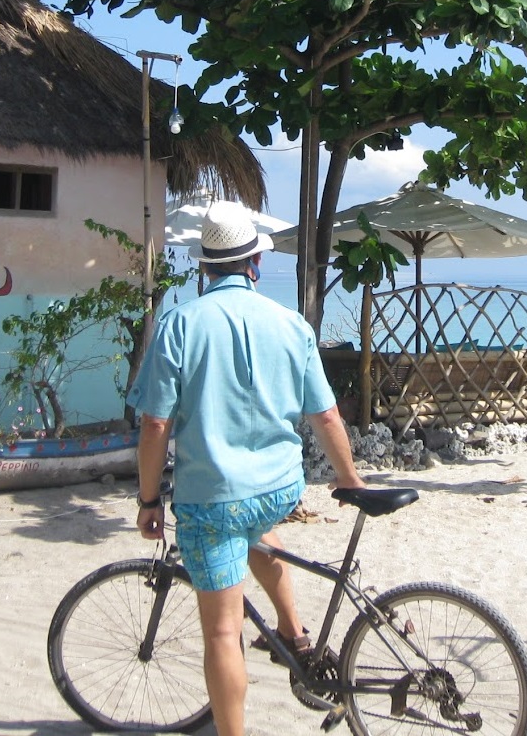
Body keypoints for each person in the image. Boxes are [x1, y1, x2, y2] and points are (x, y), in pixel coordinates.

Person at [129, 200, 366, 736]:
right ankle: (292, 631)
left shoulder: (179, 324)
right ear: (256, 261)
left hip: (212, 496)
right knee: (259, 530)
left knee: (221, 633)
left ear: (204, 267)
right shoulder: (292, 325)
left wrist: (148, 500)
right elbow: (325, 415)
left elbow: (153, 428)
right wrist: (351, 479)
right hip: (279, 488)